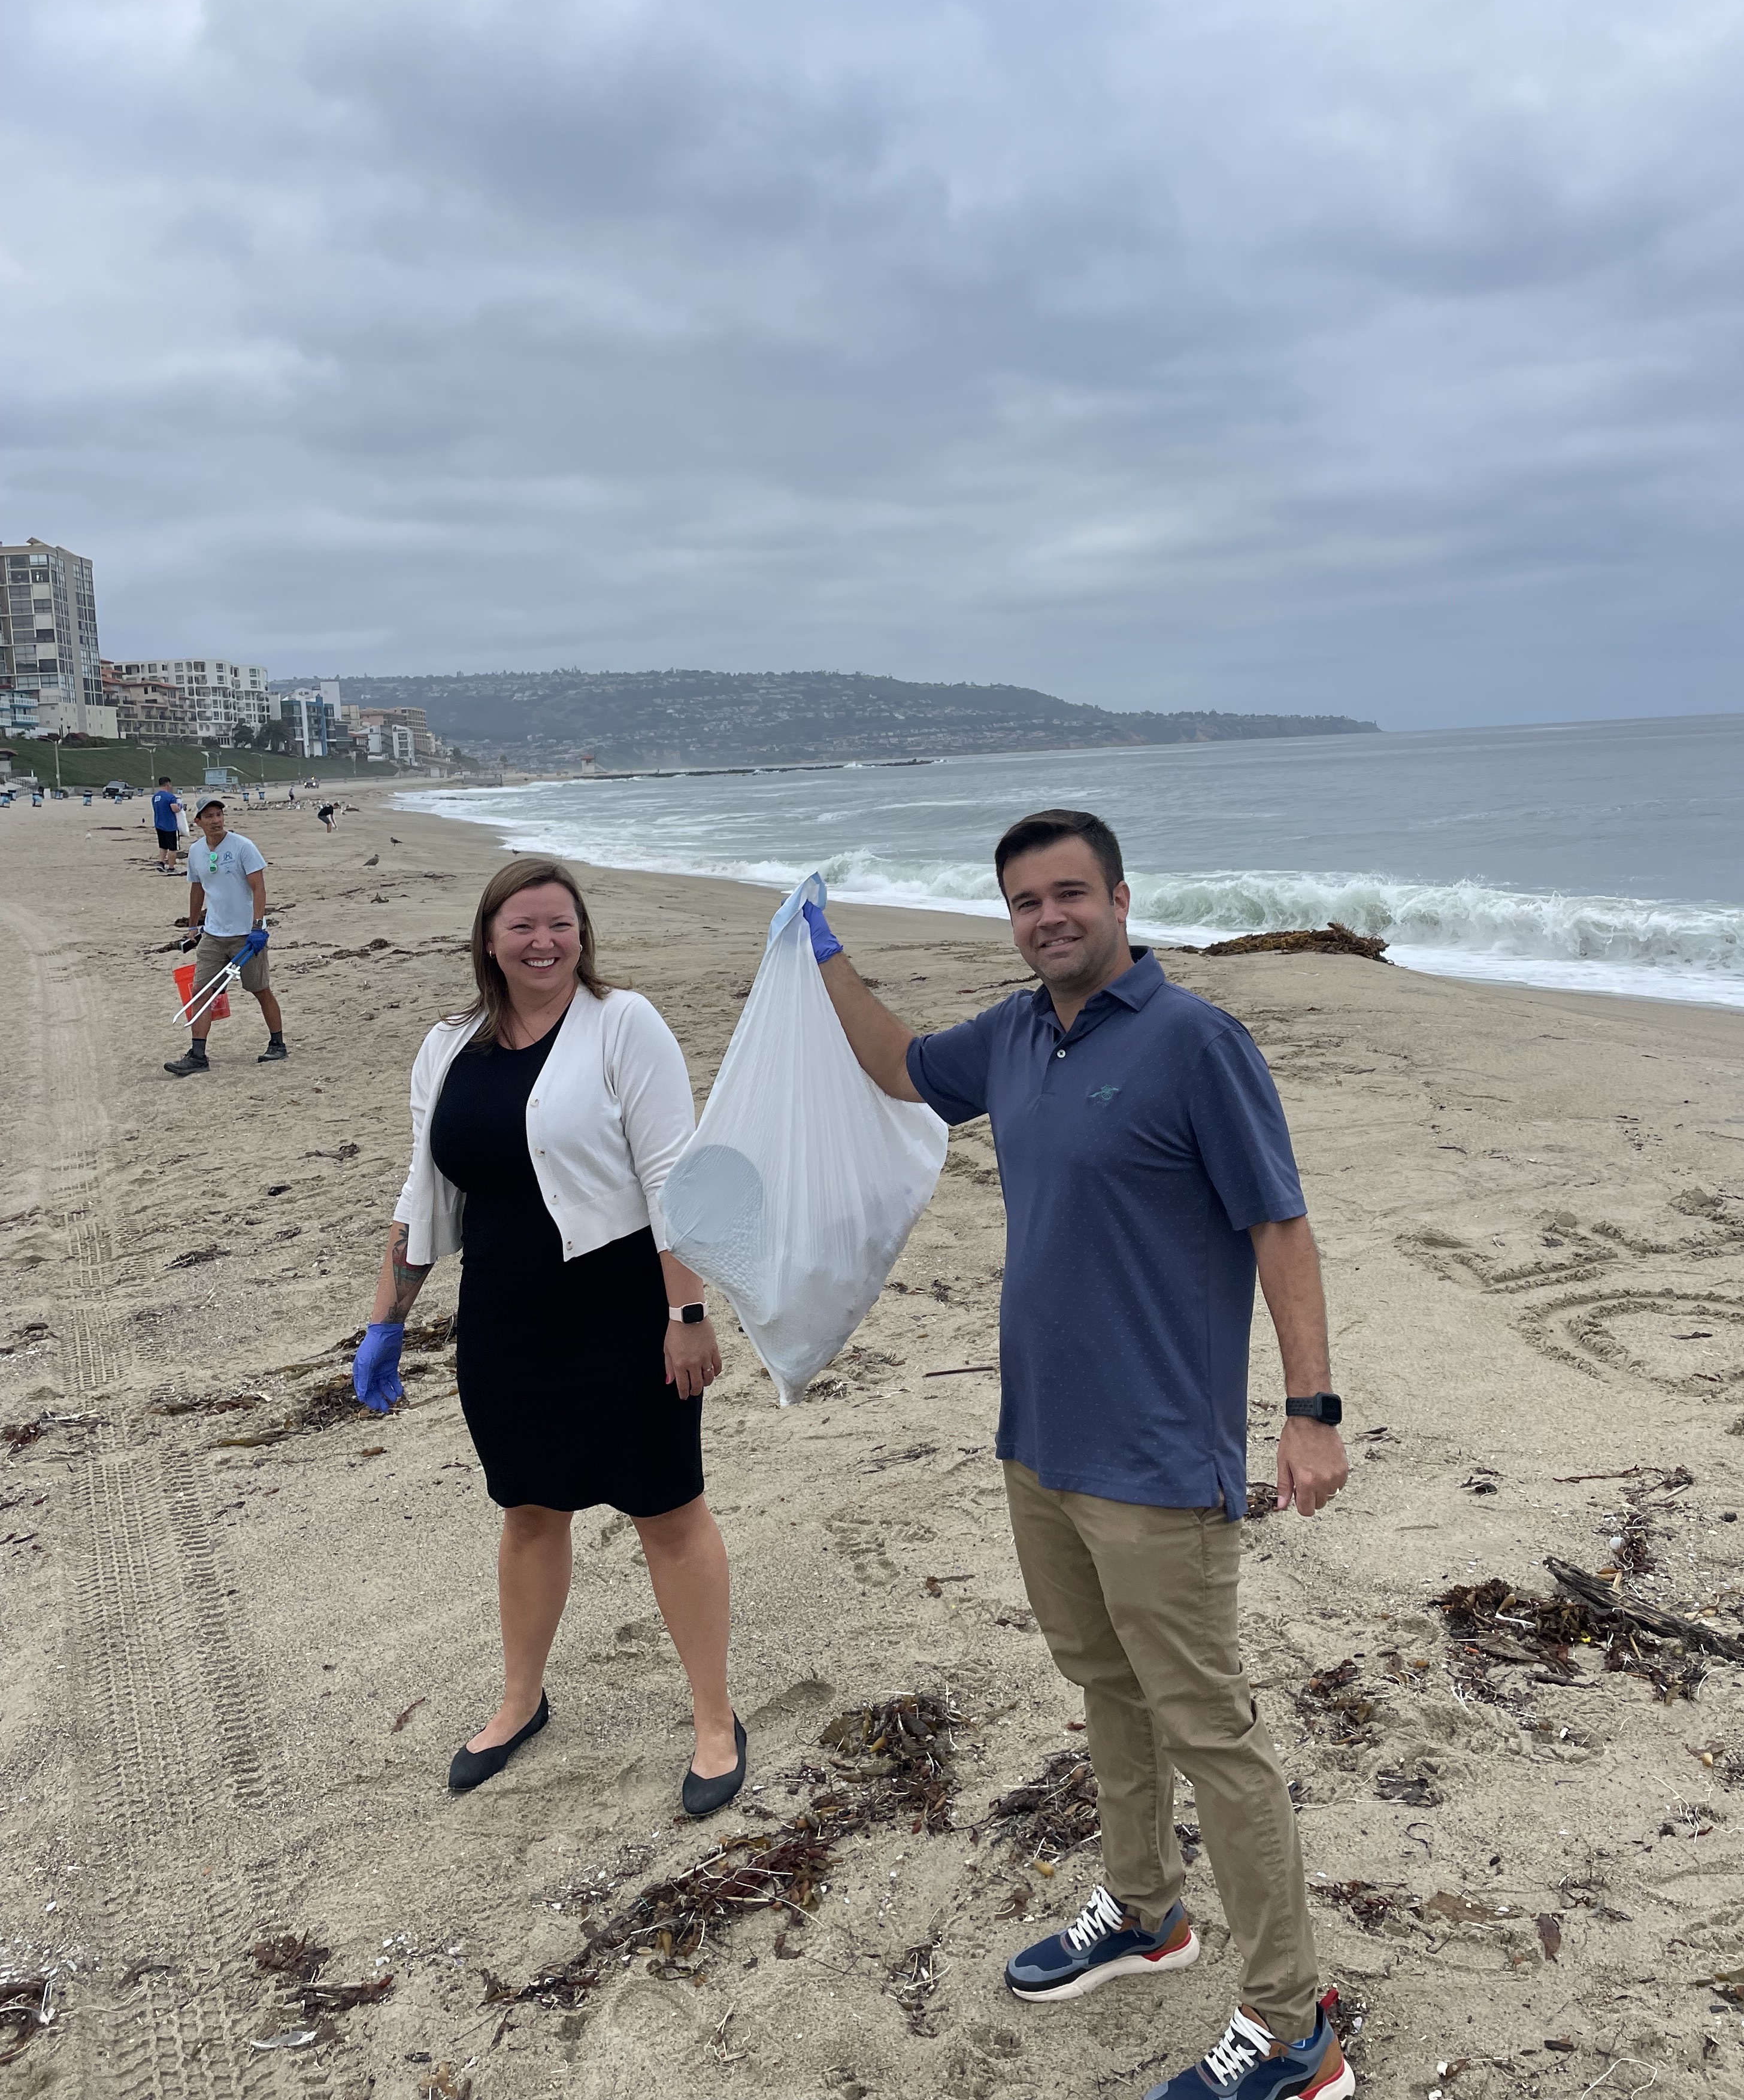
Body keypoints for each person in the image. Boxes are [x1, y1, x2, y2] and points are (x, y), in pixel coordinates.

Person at [807, 810, 1353, 2100]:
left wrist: (1312, 1408)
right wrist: (817, 950)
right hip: (1039, 1443)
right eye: (1024, 902)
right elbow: (896, 1067)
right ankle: (1148, 1913)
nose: (1047, 918)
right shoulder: (1010, 1035)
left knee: (1211, 1732)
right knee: (1104, 1687)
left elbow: (1281, 1228)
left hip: (1160, 1456)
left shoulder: (1195, 1042)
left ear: (1119, 896)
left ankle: (1295, 2027)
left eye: (1069, 895)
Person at [353, 856, 746, 1812]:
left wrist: (686, 1314)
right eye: (522, 925)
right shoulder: (449, 1045)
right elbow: (424, 1191)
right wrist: (385, 1322)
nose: (544, 942)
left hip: (620, 1312)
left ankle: (713, 1718)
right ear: (488, 938)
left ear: (583, 934)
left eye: (560, 925)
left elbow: (673, 1182)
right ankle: (520, 1701)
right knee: (529, 1512)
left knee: (668, 1513)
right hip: (501, 1318)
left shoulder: (625, 1025)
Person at [165, 798, 287, 1074]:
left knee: (259, 989)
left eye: (219, 814)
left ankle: (277, 1044)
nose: (216, 820)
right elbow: (197, 889)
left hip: (246, 934)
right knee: (200, 992)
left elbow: (259, 888)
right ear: (198, 822)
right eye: (208, 816)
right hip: (213, 934)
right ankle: (198, 1056)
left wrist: (258, 926)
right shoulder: (196, 851)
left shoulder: (243, 847)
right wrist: (193, 926)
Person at [151, 776, 184, 874]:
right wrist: (180, 807)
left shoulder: (155, 797)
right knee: (173, 848)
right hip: (170, 826)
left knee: (163, 846)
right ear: (168, 784)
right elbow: (175, 809)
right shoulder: (170, 797)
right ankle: (171, 867)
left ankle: (161, 863)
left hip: (159, 824)